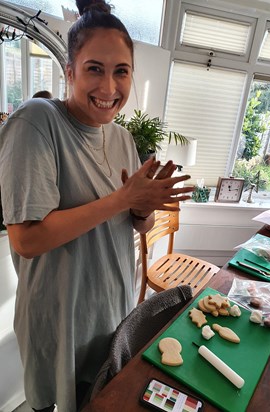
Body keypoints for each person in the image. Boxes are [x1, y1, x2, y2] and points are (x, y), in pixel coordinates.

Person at [0, 1, 193, 412]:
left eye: (121, 71)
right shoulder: (37, 122)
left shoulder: (122, 137)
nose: (109, 88)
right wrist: (123, 198)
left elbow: (138, 226)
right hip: (59, 318)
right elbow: (27, 240)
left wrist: (143, 208)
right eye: (94, 68)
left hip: (111, 308)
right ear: (69, 71)